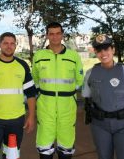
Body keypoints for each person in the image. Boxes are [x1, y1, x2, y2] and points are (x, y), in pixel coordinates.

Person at [82, 34, 124, 159]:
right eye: (99, 50)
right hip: (100, 125)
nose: (103, 53)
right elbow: (87, 96)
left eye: (106, 49)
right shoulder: (90, 73)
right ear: (95, 52)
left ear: (113, 49)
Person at [32, 22, 84, 159]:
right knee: (44, 146)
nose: (55, 37)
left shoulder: (73, 56)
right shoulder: (39, 56)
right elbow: (35, 79)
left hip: (67, 107)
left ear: (62, 35)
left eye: (57, 33)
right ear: (47, 35)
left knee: (66, 146)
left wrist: (70, 95)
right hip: (45, 106)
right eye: (51, 34)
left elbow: (79, 80)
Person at [0, 32, 37, 159]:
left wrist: (31, 116)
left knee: (12, 155)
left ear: (16, 46)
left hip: (16, 121)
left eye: (12, 43)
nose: (9, 46)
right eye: (5, 43)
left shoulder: (22, 65)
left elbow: (31, 93)